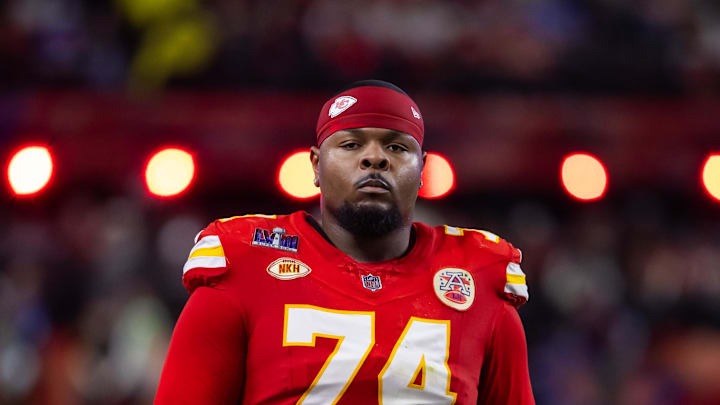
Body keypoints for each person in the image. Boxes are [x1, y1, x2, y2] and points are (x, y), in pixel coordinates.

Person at [154, 80, 535, 404]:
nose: (374, 158)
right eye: (351, 145)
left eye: (397, 147)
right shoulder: (245, 265)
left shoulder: (480, 281)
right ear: (316, 165)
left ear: (423, 170)